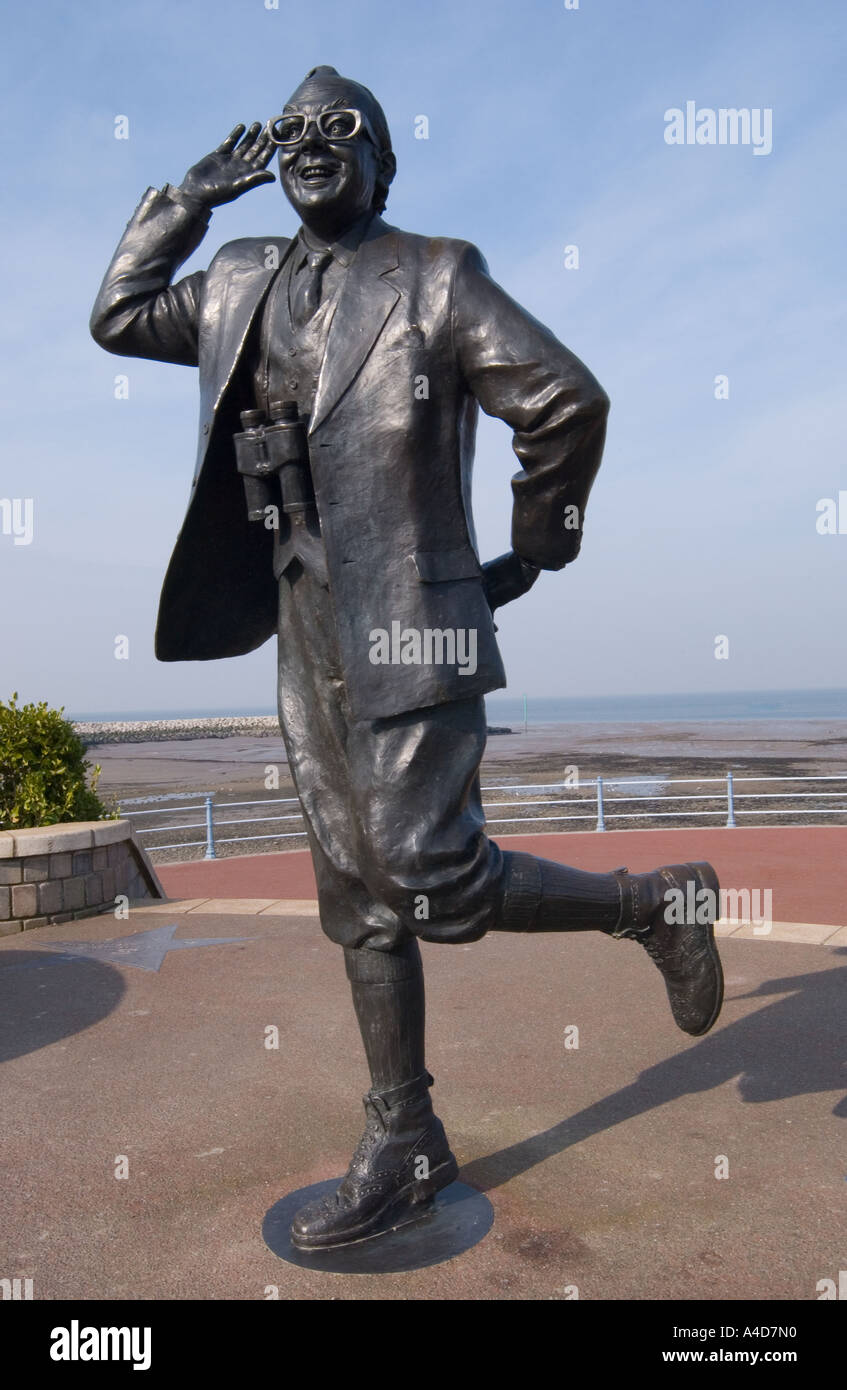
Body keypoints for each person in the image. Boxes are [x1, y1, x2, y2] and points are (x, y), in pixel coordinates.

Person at [91, 66, 723, 1251]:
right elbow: (118, 315)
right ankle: (404, 1135)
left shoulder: (436, 276)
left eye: (346, 129)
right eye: (296, 131)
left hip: (413, 622)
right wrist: (188, 198)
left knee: (432, 877)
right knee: (355, 896)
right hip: (301, 622)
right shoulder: (235, 280)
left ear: (386, 164)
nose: (314, 143)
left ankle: (655, 902)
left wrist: (532, 555)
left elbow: (564, 401)